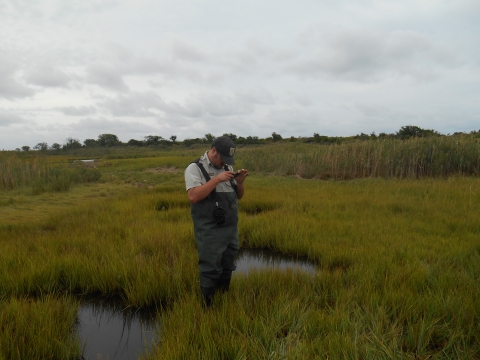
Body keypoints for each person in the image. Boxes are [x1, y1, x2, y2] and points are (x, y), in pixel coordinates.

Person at [184, 136, 249, 306]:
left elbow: (238, 196)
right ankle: (207, 306)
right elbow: (193, 196)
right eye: (223, 158)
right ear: (213, 151)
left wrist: (240, 182)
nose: (224, 163)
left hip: (230, 229)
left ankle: (222, 298)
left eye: (228, 160)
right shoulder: (195, 168)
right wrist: (216, 179)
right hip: (210, 230)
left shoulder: (227, 167)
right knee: (210, 267)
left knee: (228, 264)